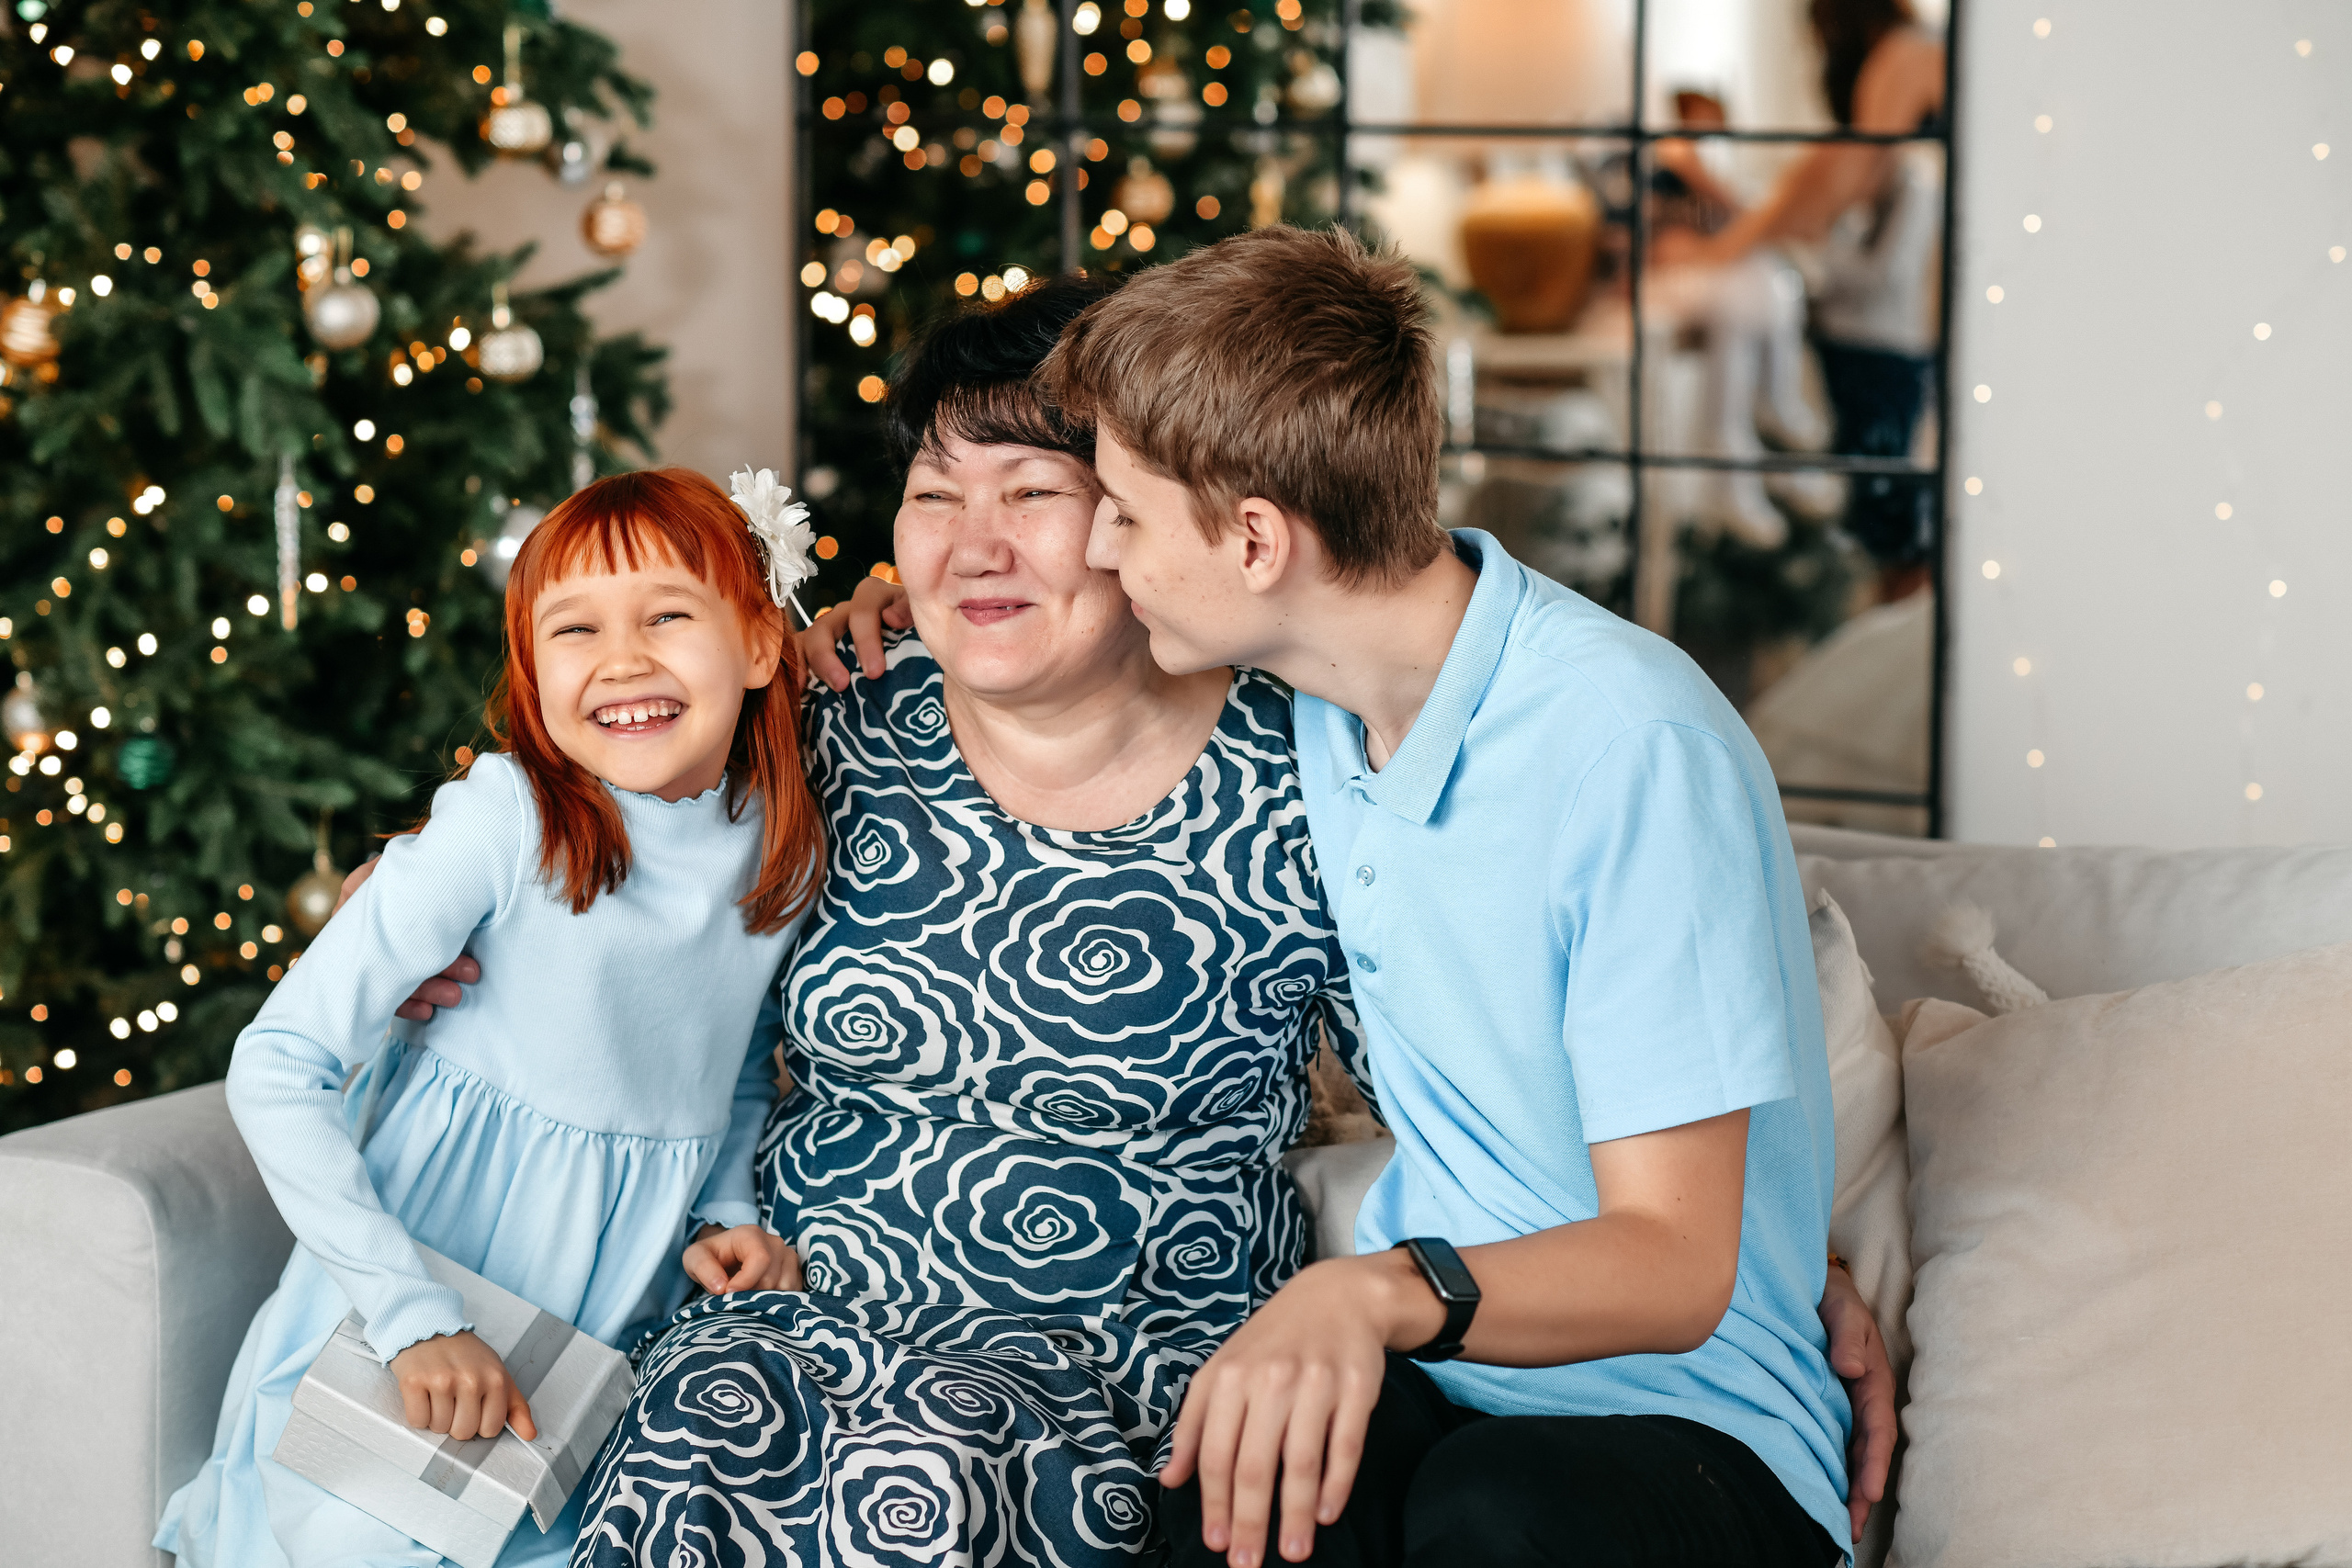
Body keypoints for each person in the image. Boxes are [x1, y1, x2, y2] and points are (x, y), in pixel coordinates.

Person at [1048, 225, 1866, 1568]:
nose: (1095, 545)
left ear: (1256, 539)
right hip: (1463, 1392)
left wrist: (1372, 1291)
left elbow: (1674, 1259)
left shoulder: (1626, 741)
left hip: (1701, 1432)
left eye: (1125, 512)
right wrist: (867, 603)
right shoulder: (1312, 699)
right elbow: (1013, 658)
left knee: (1492, 1510)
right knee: (1226, 1502)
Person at [562, 276, 1372, 1567]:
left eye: (1032, 495)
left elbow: (1474, 1084)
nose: (970, 545)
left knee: (919, 1467)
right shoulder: (830, 724)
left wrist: (1765, 1259)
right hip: (793, 1322)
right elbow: (600, 873)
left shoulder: (1309, 780)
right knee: (698, 1419)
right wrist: (441, 913)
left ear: (1141, 518)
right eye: (935, 497)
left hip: (1117, 1377)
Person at [156, 469, 820, 1568]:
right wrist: (413, 1315)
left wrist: (723, 1205)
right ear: (531, 671)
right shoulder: (505, 820)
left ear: (759, 643)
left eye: (668, 614)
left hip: (610, 1310)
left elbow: (738, 1055)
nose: (623, 659)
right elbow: (277, 1066)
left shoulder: (773, 846)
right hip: (418, 1286)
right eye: (575, 628)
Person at [1656, 0, 1948, 588]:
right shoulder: (1914, 63)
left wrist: (1738, 238)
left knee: (1888, 523)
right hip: (1886, 328)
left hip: (1886, 332)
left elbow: (1840, 183)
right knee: (1886, 515)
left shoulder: (1906, 59)